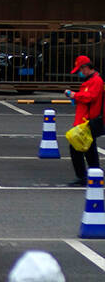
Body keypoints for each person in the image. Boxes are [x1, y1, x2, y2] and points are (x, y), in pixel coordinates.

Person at [64, 55, 103, 187]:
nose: (79, 73)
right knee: (88, 147)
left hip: (91, 120)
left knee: (76, 146)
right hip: (87, 120)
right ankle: (94, 175)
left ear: (85, 68)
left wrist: (75, 95)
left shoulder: (96, 81)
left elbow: (89, 97)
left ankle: (83, 176)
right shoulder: (91, 80)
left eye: (80, 70)